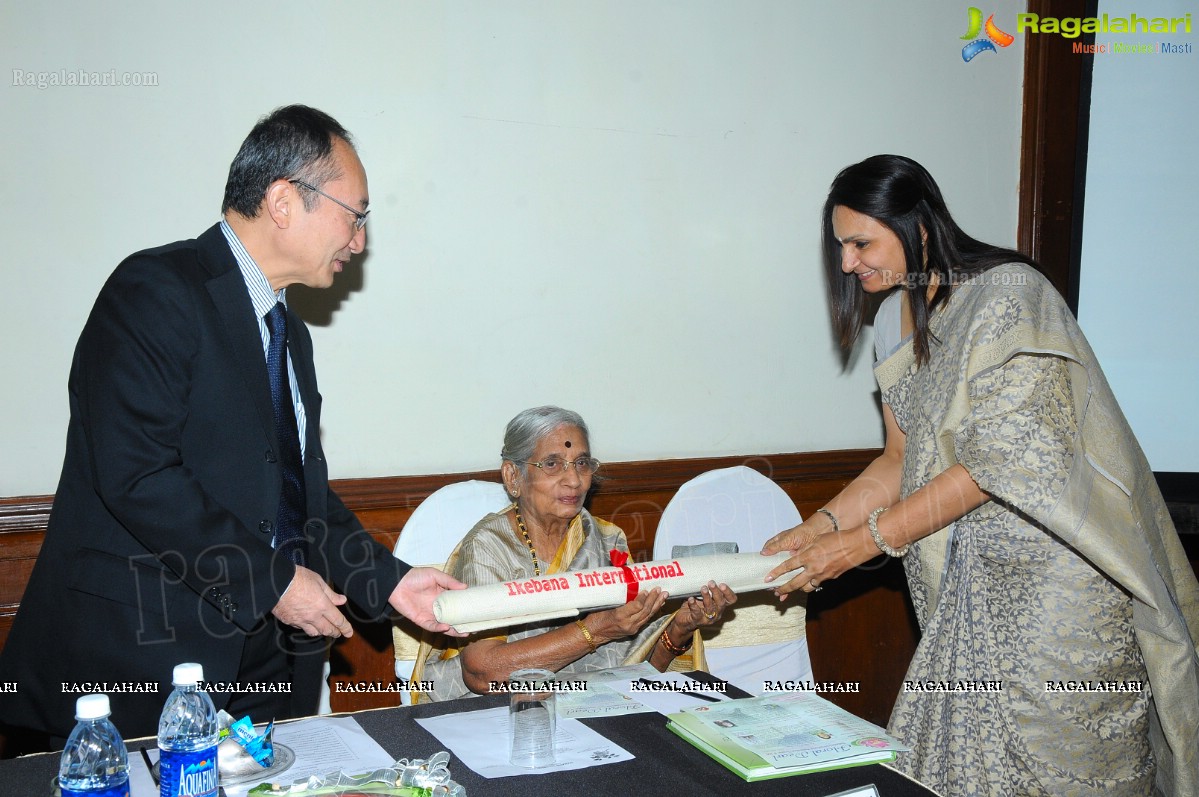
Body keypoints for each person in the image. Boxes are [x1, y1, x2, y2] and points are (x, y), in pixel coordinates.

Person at [0, 105, 464, 747]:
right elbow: (138, 474)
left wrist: (393, 583)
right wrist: (272, 583)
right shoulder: (154, 290)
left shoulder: (289, 333)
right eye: (355, 214)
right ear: (282, 201)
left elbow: (301, 501)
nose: (359, 241)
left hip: (264, 668)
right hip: (137, 663)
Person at [762, 155, 1199, 796]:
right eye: (841, 247)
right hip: (967, 581)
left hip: (1059, 586)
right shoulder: (893, 319)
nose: (849, 263)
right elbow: (897, 460)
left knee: (1064, 764)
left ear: (919, 226)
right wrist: (818, 526)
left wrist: (861, 544)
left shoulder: (1009, 294)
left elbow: (1001, 461)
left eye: (862, 242)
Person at [412, 406, 736, 701]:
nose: (574, 480)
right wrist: (596, 630)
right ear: (513, 477)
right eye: (552, 464)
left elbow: (635, 674)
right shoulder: (488, 547)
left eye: (582, 463)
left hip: (595, 709)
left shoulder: (608, 540)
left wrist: (680, 627)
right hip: (505, 715)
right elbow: (481, 673)